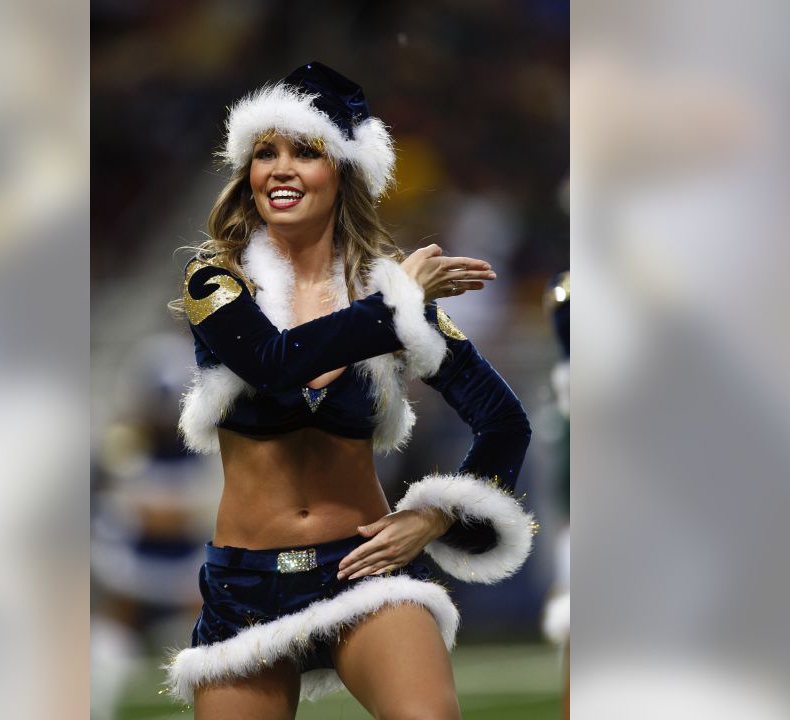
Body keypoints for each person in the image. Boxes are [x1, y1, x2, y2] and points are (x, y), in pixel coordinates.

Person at [165, 62, 535, 720]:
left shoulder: (390, 295)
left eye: (304, 151)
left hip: (363, 572)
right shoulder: (215, 280)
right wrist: (396, 304)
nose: (279, 169)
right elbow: (277, 364)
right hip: (244, 587)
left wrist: (436, 516)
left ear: (344, 169)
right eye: (264, 153)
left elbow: (504, 422)